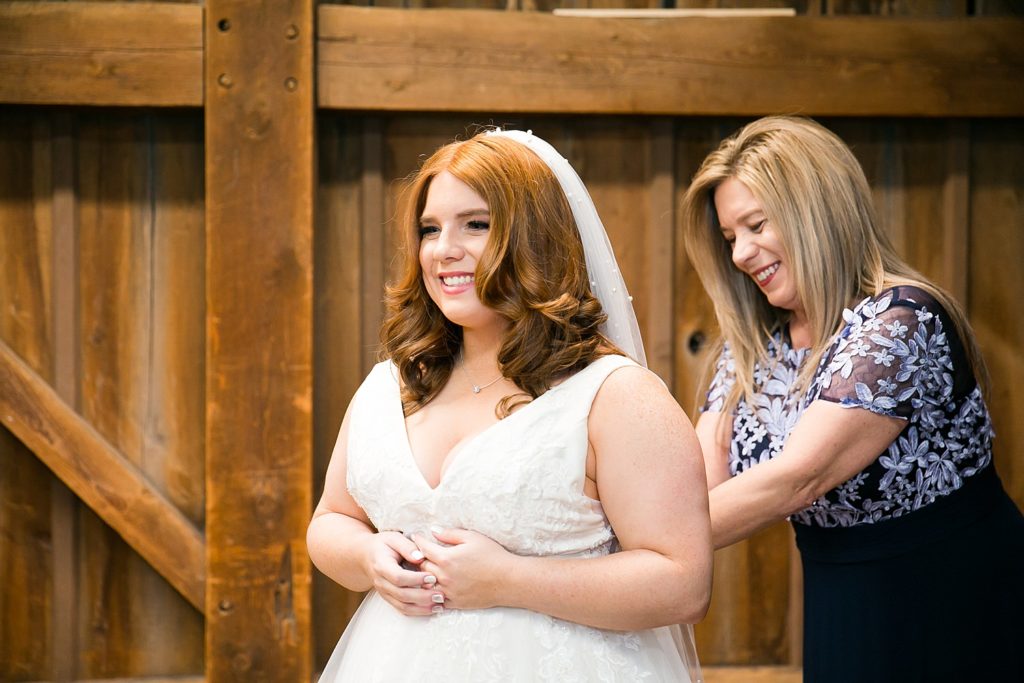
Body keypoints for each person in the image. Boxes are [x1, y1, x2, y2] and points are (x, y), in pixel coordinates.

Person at [307, 129, 712, 682]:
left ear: (535, 236)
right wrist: (367, 558)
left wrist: (508, 580)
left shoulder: (614, 395)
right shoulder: (389, 385)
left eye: (476, 224)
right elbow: (331, 520)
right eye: (430, 229)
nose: (443, 249)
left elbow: (683, 583)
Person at [681, 115, 1024, 682]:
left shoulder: (899, 323)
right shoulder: (752, 348)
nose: (741, 253)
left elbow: (797, 479)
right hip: (841, 599)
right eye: (729, 238)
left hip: (954, 599)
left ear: (814, 212)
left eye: (756, 225)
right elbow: (698, 485)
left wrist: (622, 550)